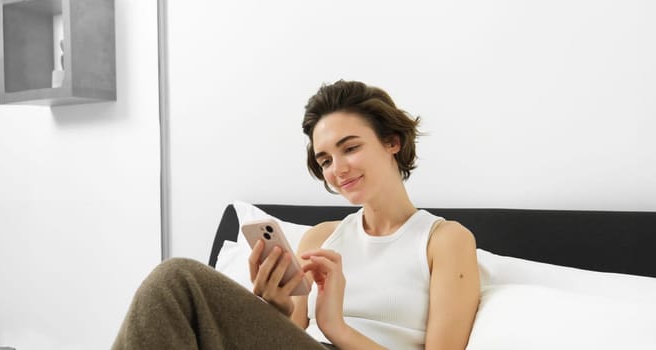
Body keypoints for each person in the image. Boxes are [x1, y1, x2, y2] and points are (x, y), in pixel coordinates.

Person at [112, 80, 480, 350]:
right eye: (325, 160)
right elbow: (290, 335)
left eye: (349, 147)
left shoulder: (444, 240)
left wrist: (335, 325)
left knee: (177, 279)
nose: (338, 169)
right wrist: (274, 305)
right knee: (171, 296)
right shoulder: (321, 237)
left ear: (392, 142)